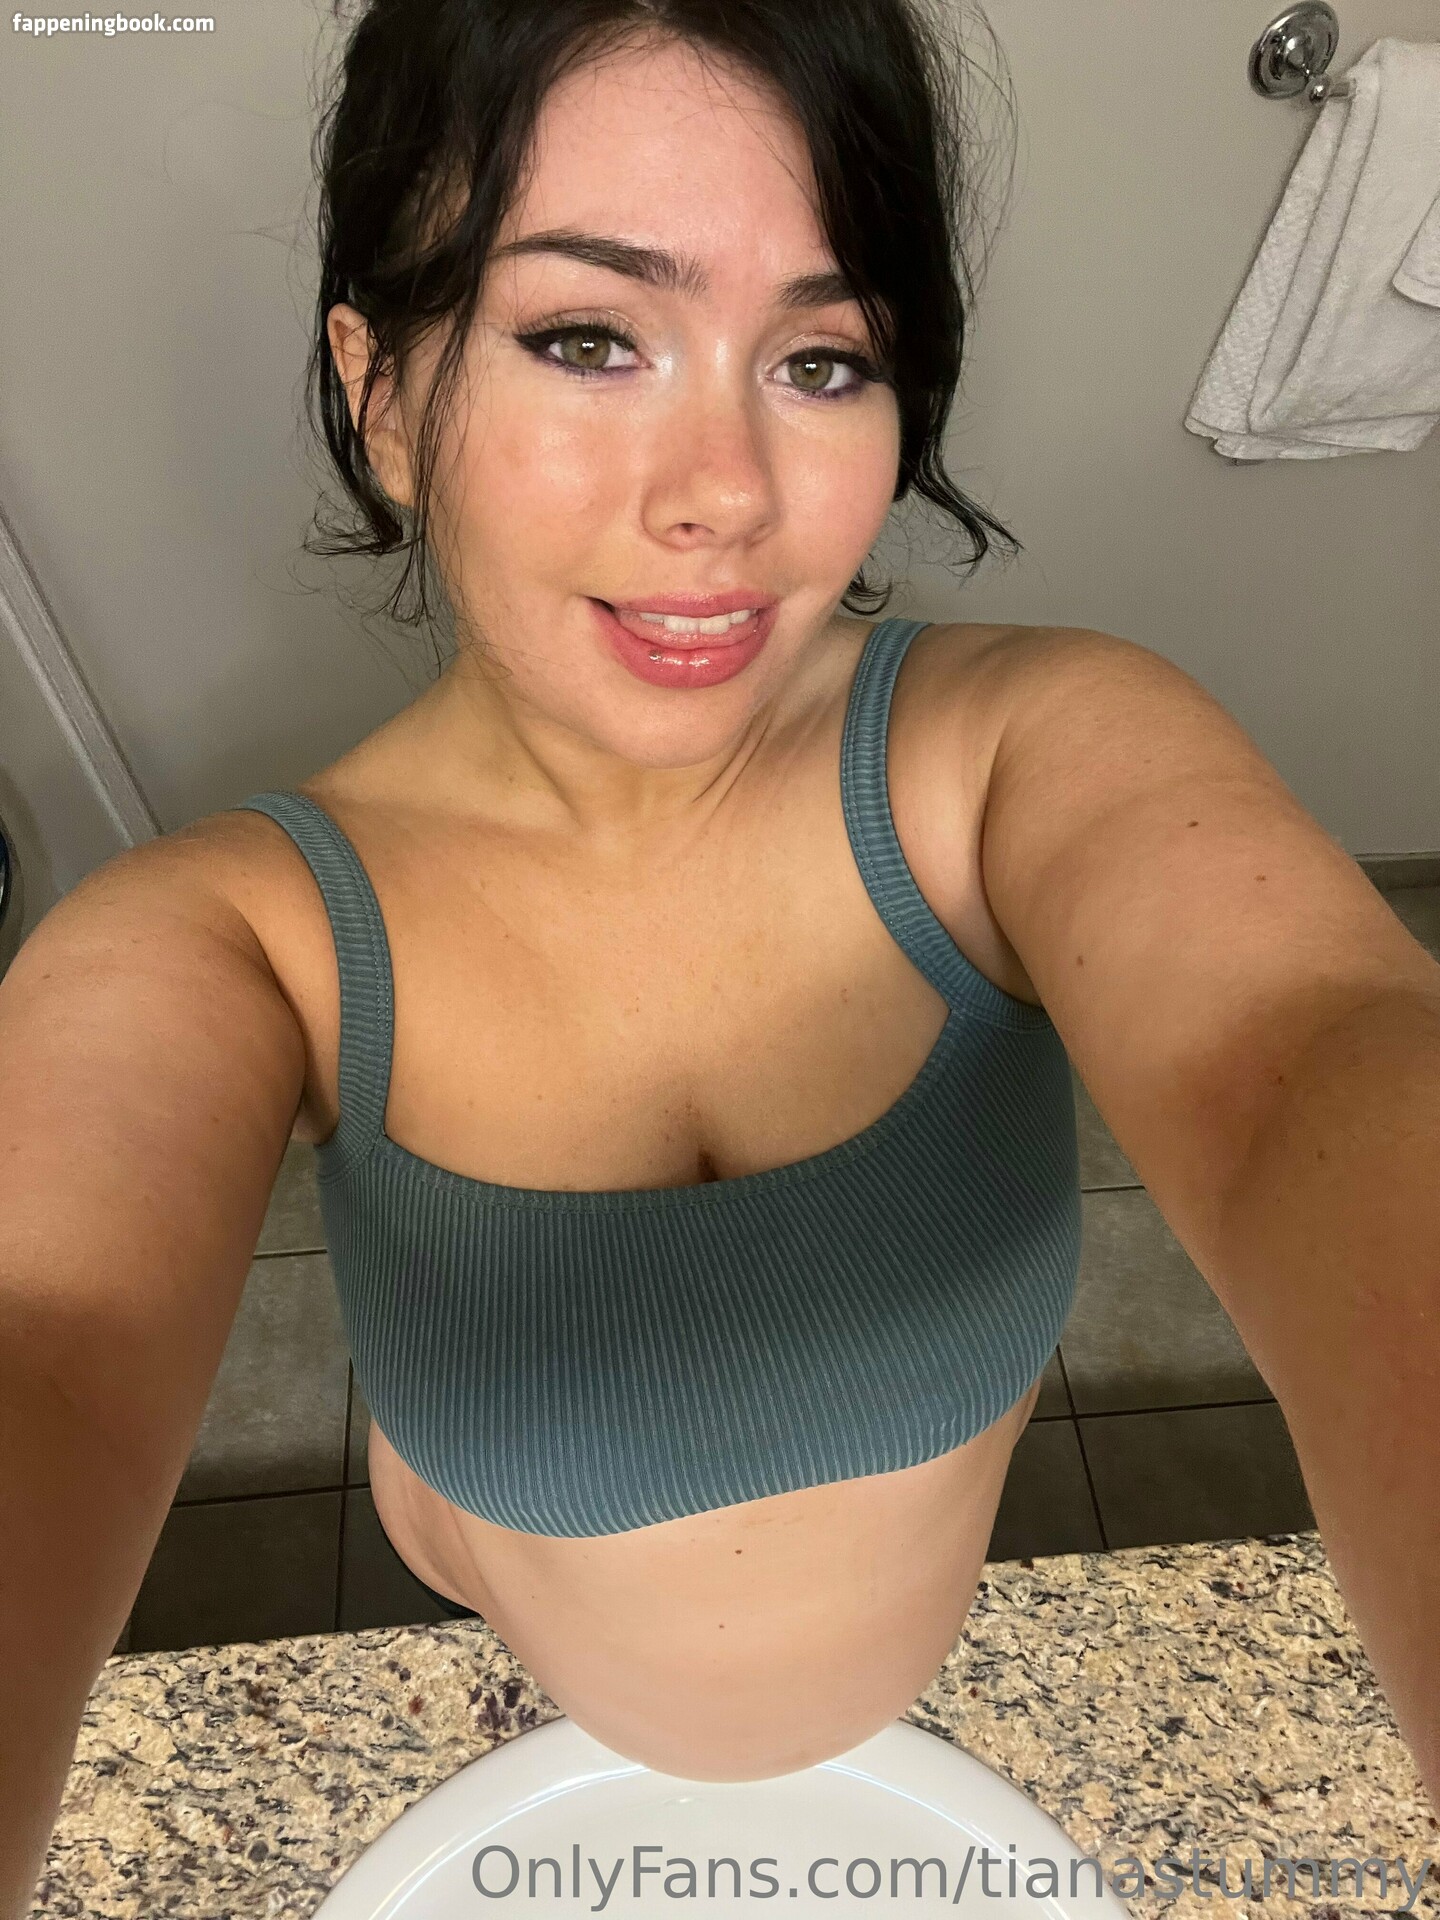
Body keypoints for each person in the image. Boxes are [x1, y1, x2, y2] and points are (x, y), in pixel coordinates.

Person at [4, 0, 1439, 1908]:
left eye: (823, 361)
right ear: (383, 393)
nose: (731, 492)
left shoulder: (1029, 755)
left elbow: (1314, 1055)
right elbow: (45, 1341)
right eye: (589, 337)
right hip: (514, 1599)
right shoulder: (236, 933)